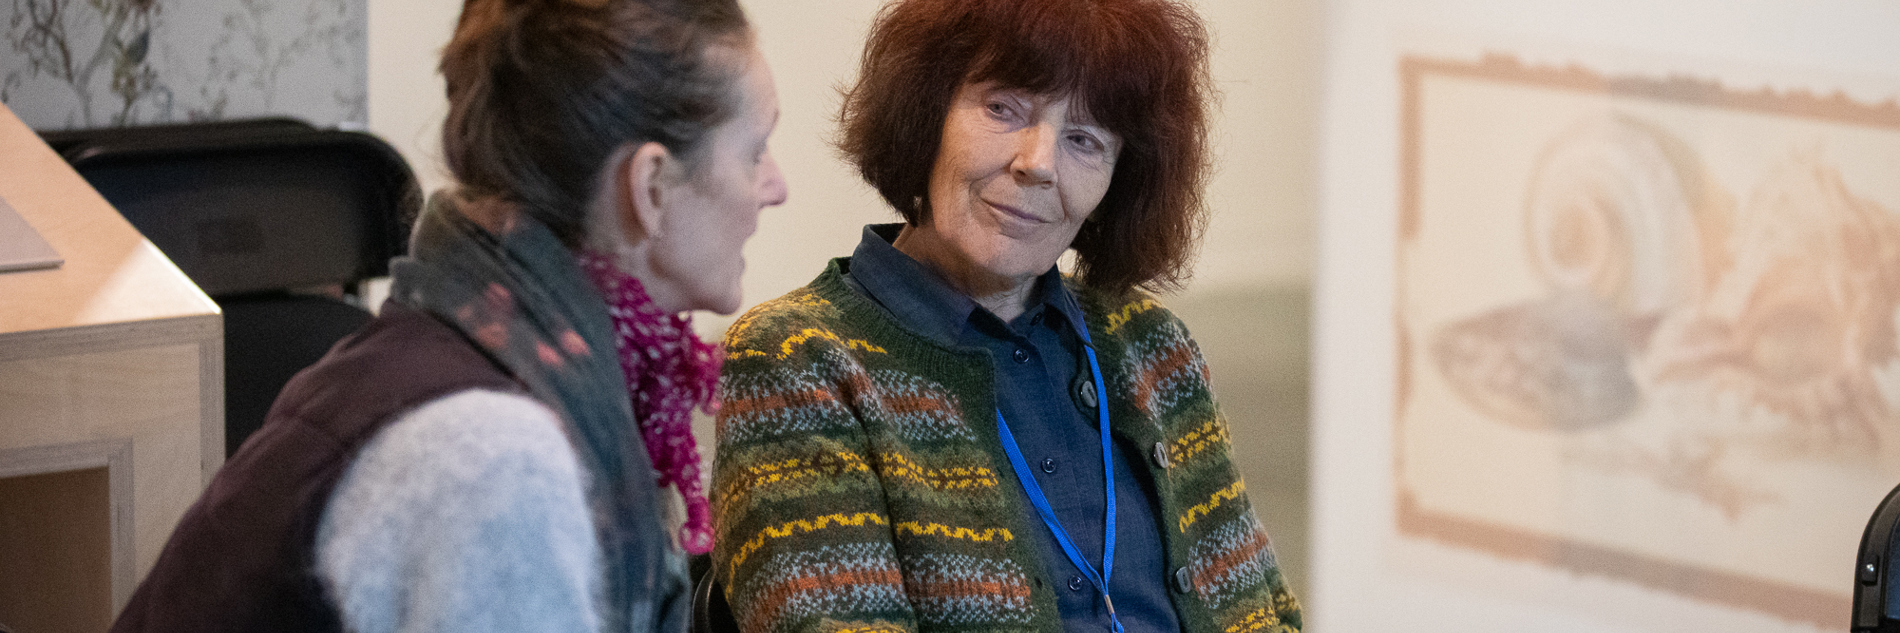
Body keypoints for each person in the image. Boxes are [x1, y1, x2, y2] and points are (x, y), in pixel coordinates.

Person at [109, 0, 786, 630]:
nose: (776, 187)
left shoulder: (460, 347)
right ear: (650, 186)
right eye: (754, 152)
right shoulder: (495, 457)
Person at [708, 0, 1301, 632]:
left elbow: (1265, 616)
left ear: (1118, 183)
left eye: (1084, 140)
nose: (1038, 163)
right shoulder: (798, 360)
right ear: (926, 115)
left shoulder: (1150, 347)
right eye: (1003, 109)